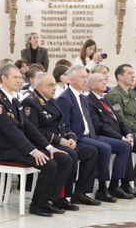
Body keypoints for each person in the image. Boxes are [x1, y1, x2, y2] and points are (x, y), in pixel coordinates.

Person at [0, 65, 74, 217]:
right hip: (9, 150)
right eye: (15, 77)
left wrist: (49, 147)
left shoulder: (14, 100)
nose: (19, 80)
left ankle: (50, 199)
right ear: (4, 78)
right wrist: (33, 151)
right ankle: (37, 205)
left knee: (64, 159)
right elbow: (12, 132)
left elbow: (29, 127)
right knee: (49, 164)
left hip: (23, 147)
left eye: (20, 77)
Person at [22, 72, 99, 207]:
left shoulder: (52, 100)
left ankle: (77, 193)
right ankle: (58, 197)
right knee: (70, 155)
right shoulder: (31, 102)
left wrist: (71, 137)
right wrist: (60, 141)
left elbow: (63, 124)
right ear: (39, 86)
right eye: (50, 85)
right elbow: (34, 130)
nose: (54, 88)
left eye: (54, 85)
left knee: (90, 151)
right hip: (44, 143)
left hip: (60, 141)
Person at [56, 66, 122, 203]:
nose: (85, 80)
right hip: (77, 137)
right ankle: (101, 188)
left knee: (104, 147)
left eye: (86, 77)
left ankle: (83, 191)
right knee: (103, 148)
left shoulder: (82, 97)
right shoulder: (65, 98)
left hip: (89, 135)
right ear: (71, 79)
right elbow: (64, 124)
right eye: (82, 77)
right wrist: (72, 138)